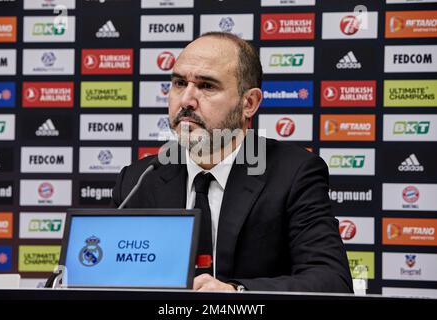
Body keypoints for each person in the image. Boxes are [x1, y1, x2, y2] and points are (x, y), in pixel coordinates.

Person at [112, 32, 353, 293]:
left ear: (248, 103)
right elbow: (107, 276)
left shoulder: (293, 173)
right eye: (180, 83)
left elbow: (331, 280)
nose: (186, 100)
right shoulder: (138, 179)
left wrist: (235, 294)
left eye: (207, 86)